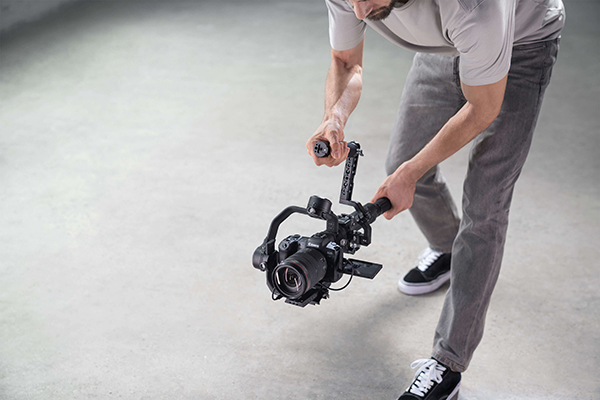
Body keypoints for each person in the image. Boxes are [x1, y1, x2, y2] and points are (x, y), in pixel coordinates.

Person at [305, 0, 565, 398]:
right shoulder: (357, 1)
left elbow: (482, 108)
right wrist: (333, 118)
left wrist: (410, 175)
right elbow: (345, 61)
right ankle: (446, 249)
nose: (358, 12)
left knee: (485, 207)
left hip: (522, 42)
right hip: (449, 46)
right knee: (401, 160)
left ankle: (449, 362)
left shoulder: (474, 7)